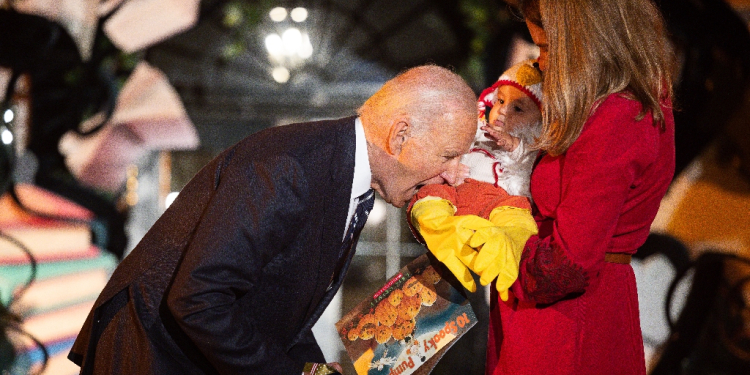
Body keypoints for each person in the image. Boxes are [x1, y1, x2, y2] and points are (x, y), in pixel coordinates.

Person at [66, 65, 479, 375]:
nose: (456, 174)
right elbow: (198, 298)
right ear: (400, 135)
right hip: (150, 354)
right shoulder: (291, 167)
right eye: (448, 156)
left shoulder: (352, 177)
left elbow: (276, 311)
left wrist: (315, 369)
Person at [481, 0, 677, 374]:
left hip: (569, 321)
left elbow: (566, 266)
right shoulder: (614, 104)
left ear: (588, 40)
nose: (540, 62)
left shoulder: (616, 115)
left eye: (549, 48)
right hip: (552, 312)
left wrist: (483, 245)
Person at [407, 59, 544, 300]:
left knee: (517, 214)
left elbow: (530, 165)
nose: (502, 110)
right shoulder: (476, 131)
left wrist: (514, 145)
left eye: (518, 109)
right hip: (457, 192)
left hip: (497, 203)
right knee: (430, 196)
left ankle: (508, 244)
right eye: (500, 101)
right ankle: (440, 227)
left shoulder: (530, 150)